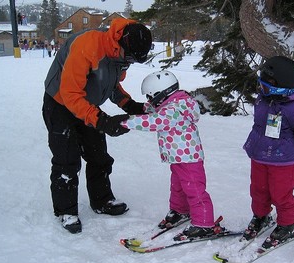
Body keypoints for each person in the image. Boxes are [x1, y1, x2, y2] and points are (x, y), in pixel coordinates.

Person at [42, 18, 152, 234]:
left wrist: (129, 104)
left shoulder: (119, 52)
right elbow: (71, 94)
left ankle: (102, 201)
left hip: (87, 104)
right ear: (123, 43)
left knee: (98, 155)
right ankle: (66, 210)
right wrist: (101, 120)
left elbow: (110, 83)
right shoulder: (89, 46)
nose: (129, 62)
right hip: (60, 103)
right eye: (129, 57)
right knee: (67, 159)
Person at [121, 70, 217, 238]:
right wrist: (139, 108)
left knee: (194, 189)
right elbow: (153, 110)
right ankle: (180, 210)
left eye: (151, 97)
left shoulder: (175, 109)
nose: (149, 101)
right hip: (178, 157)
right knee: (178, 186)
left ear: (161, 93)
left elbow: (155, 121)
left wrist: (125, 121)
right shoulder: (172, 103)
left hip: (189, 159)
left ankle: (204, 223)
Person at [242, 56, 294, 248]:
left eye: (266, 87)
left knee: (281, 194)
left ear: (282, 89)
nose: (261, 90)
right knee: (258, 190)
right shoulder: (264, 100)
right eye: (261, 85)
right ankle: (261, 216)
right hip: (259, 156)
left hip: (283, 161)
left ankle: (288, 223)